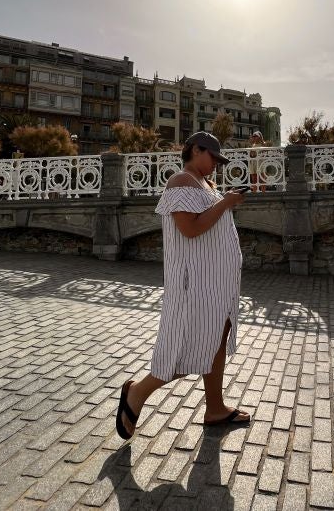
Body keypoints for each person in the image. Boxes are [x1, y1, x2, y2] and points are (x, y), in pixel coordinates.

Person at [115, 132, 249, 440]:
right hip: (195, 283)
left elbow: (208, 223)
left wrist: (225, 200)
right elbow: (189, 229)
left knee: (215, 339)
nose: (216, 164)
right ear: (196, 150)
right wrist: (227, 201)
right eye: (212, 157)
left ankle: (215, 408)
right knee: (189, 345)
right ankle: (137, 393)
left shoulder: (205, 185)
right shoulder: (180, 181)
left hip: (215, 282)